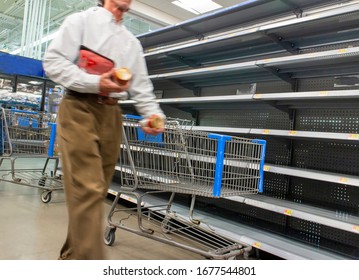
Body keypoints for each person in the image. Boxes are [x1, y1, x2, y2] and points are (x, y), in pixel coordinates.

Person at [43, 0, 165, 260]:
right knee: (87, 186)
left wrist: (153, 114)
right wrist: (94, 81)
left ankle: (73, 256)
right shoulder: (81, 22)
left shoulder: (131, 42)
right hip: (78, 106)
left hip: (112, 114)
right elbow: (53, 62)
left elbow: (142, 86)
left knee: (95, 191)